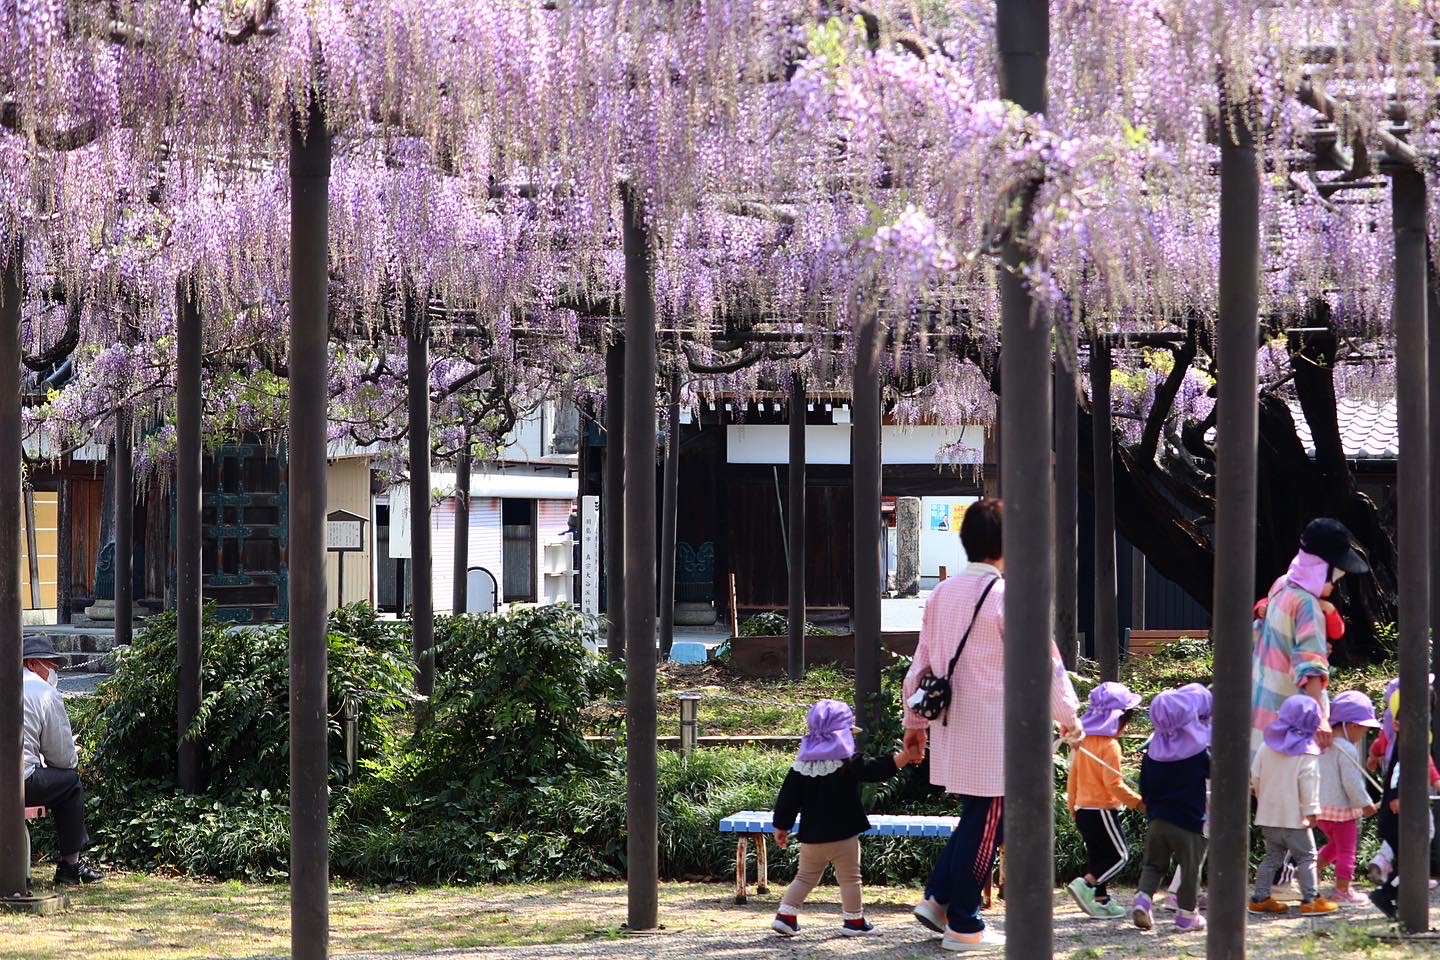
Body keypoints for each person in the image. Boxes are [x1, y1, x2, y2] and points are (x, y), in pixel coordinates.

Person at [902, 498, 1081, 953]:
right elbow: (1046, 664)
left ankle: (939, 899)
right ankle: (963, 923)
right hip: (997, 729)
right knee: (990, 823)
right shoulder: (1009, 596)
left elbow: (921, 664)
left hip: (953, 724)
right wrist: (1069, 718)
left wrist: (915, 722)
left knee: (978, 819)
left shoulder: (942, 593)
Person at [770, 700, 913, 938]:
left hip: (812, 837)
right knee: (849, 879)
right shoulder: (849, 762)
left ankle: (786, 916)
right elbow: (877, 769)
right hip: (844, 835)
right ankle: (854, 920)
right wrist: (906, 755)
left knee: (804, 878)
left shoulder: (800, 767)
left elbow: (787, 799)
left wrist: (781, 826)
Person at [1251, 518, 1370, 761]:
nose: (1337, 581)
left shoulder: (1281, 585)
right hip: (1290, 731)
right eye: (1337, 572)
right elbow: (1310, 667)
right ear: (1323, 568)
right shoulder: (1307, 605)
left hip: (1259, 721)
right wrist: (1322, 720)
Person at [22, 636, 103, 885]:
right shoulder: (43, 692)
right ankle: (71, 865)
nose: (53, 672)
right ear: (34, 664)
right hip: (18, 781)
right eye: (51, 666)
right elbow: (64, 758)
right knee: (70, 784)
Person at [1248, 695, 1337, 915]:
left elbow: (1255, 778)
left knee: (1272, 857)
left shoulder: (1266, 746)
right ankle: (1310, 900)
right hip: (1295, 817)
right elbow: (1309, 785)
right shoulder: (1307, 753)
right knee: (1307, 857)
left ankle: (1260, 898)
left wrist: (1263, 799)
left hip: (1268, 816)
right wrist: (1312, 812)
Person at [1132, 689, 1210, 933]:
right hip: (1189, 822)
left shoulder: (1152, 752)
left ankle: (1143, 898)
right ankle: (1187, 914)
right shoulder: (1198, 752)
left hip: (1157, 821)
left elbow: (1144, 788)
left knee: (1153, 865)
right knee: (1190, 868)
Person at [1065, 682, 1144, 919]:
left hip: (1083, 809)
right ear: (1119, 721)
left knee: (1099, 856)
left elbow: (1073, 777)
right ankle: (1085, 884)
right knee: (1120, 856)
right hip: (1102, 809)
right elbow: (1114, 784)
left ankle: (1101, 899)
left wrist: (1073, 807)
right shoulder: (1110, 746)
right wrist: (1138, 802)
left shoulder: (1084, 742)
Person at [1314, 691, 1380, 904]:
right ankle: (1343, 890)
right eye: (1364, 729)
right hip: (1343, 812)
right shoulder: (1346, 749)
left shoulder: (1322, 744)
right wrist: (1366, 804)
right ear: (1352, 725)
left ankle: (1310, 872)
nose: (1364, 734)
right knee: (1346, 850)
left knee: (1334, 844)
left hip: (1321, 810)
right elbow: (1352, 783)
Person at [1159, 682, 1212, 912]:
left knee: (1197, 848)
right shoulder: (1204, 733)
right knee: (1196, 849)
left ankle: (1193, 891)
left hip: (1179, 800)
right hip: (1202, 799)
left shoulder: (1175, 731)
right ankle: (1176, 893)